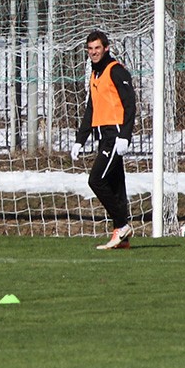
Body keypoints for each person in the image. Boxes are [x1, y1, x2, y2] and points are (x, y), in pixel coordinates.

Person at [71, 29, 136, 250]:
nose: (94, 52)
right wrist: (80, 140)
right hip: (104, 135)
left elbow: (130, 104)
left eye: (97, 48)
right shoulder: (94, 74)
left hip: (115, 135)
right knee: (116, 185)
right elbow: (92, 109)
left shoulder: (115, 70)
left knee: (96, 180)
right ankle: (123, 239)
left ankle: (122, 224)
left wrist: (125, 135)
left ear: (106, 48)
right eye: (90, 49)